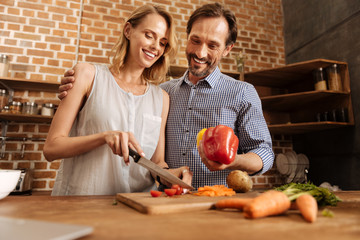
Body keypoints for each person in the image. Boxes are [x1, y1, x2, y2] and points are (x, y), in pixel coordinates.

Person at [58, 3, 274, 190]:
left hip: (215, 203)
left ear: (227, 49)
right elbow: (156, 161)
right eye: (195, 40)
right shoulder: (164, 92)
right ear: (187, 38)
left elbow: (264, 153)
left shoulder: (242, 93)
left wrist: (233, 161)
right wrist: (82, 92)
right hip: (166, 201)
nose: (200, 53)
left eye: (213, 46)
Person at [43, 4, 191, 196]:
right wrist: (104, 137)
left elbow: (156, 163)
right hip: (81, 204)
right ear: (128, 30)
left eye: (163, 42)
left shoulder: (161, 98)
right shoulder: (87, 75)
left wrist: (173, 175)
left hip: (136, 208)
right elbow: (52, 148)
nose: (156, 47)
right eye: (149, 35)